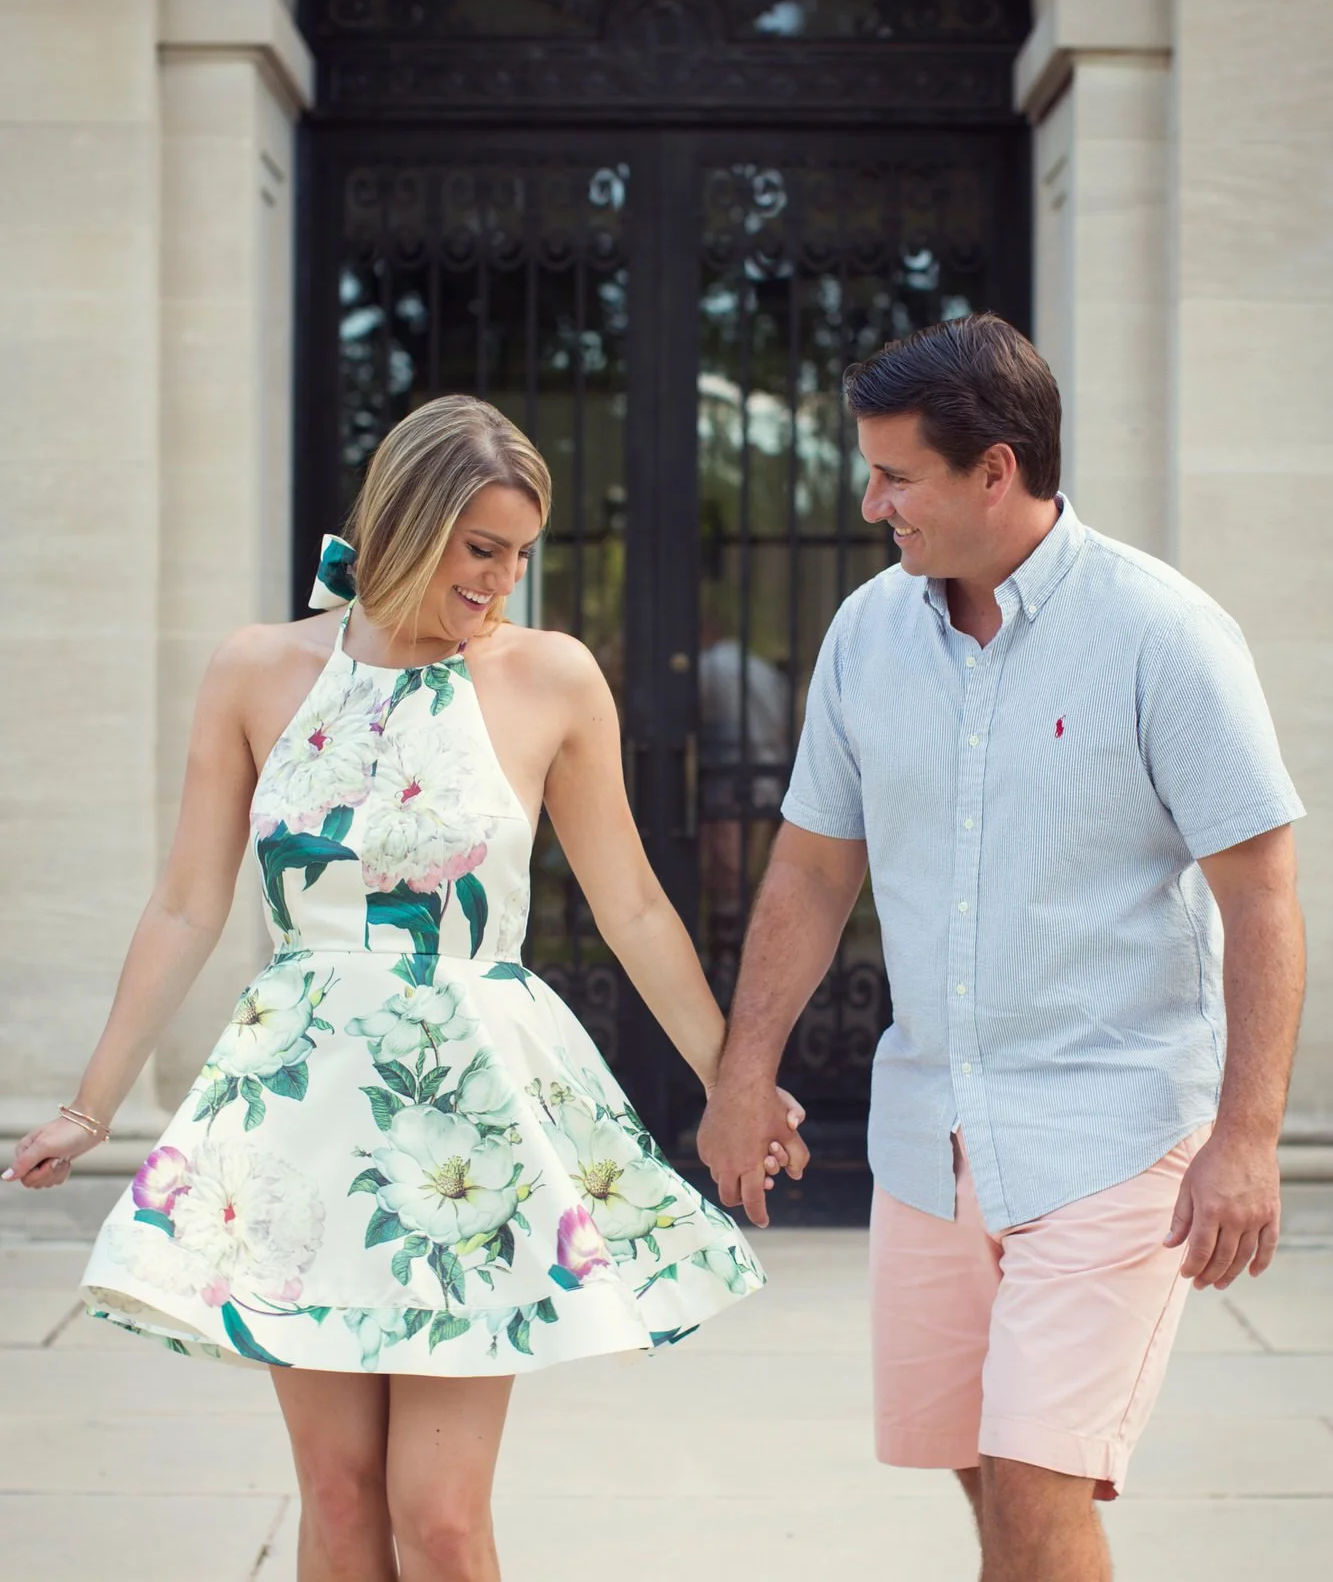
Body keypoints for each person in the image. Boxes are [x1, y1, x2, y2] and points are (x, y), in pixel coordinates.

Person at [4, 395, 806, 1582]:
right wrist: (90, 1101)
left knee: (436, 1519)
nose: (502, 582)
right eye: (481, 548)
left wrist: (734, 1081)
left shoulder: (551, 677)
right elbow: (185, 902)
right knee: (334, 1498)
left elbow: (632, 905)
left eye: (520, 554)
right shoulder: (254, 667)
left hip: (468, 1116)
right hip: (297, 1107)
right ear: (405, 519)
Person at [698, 315, 1306, 1582]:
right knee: (996, 1494)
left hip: (1115, 1127)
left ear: (995, 469)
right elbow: (812, 864)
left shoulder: (1162, 632)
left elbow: (1261, 891)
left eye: (896, 475)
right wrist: (741, 1066)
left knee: (1037, 1495)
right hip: (933, 1136)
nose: (871, 503)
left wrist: (1246, 1136)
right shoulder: (866, 635)